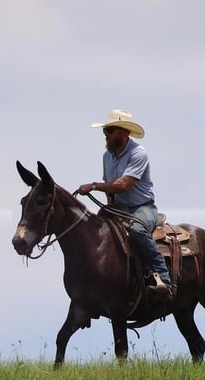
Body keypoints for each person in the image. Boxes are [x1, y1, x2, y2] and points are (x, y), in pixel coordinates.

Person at [76, 109, 172, 299]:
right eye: (106, 131)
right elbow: (111, 188)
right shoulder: (107, 156)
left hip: (143, 208)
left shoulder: (139, 153)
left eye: (109, 131)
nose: (106, 135)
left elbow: (123, 185)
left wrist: (94, 186)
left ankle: (165, 279)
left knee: (137, 230)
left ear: (124, 132)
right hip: (118, 208)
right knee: (92, 231)